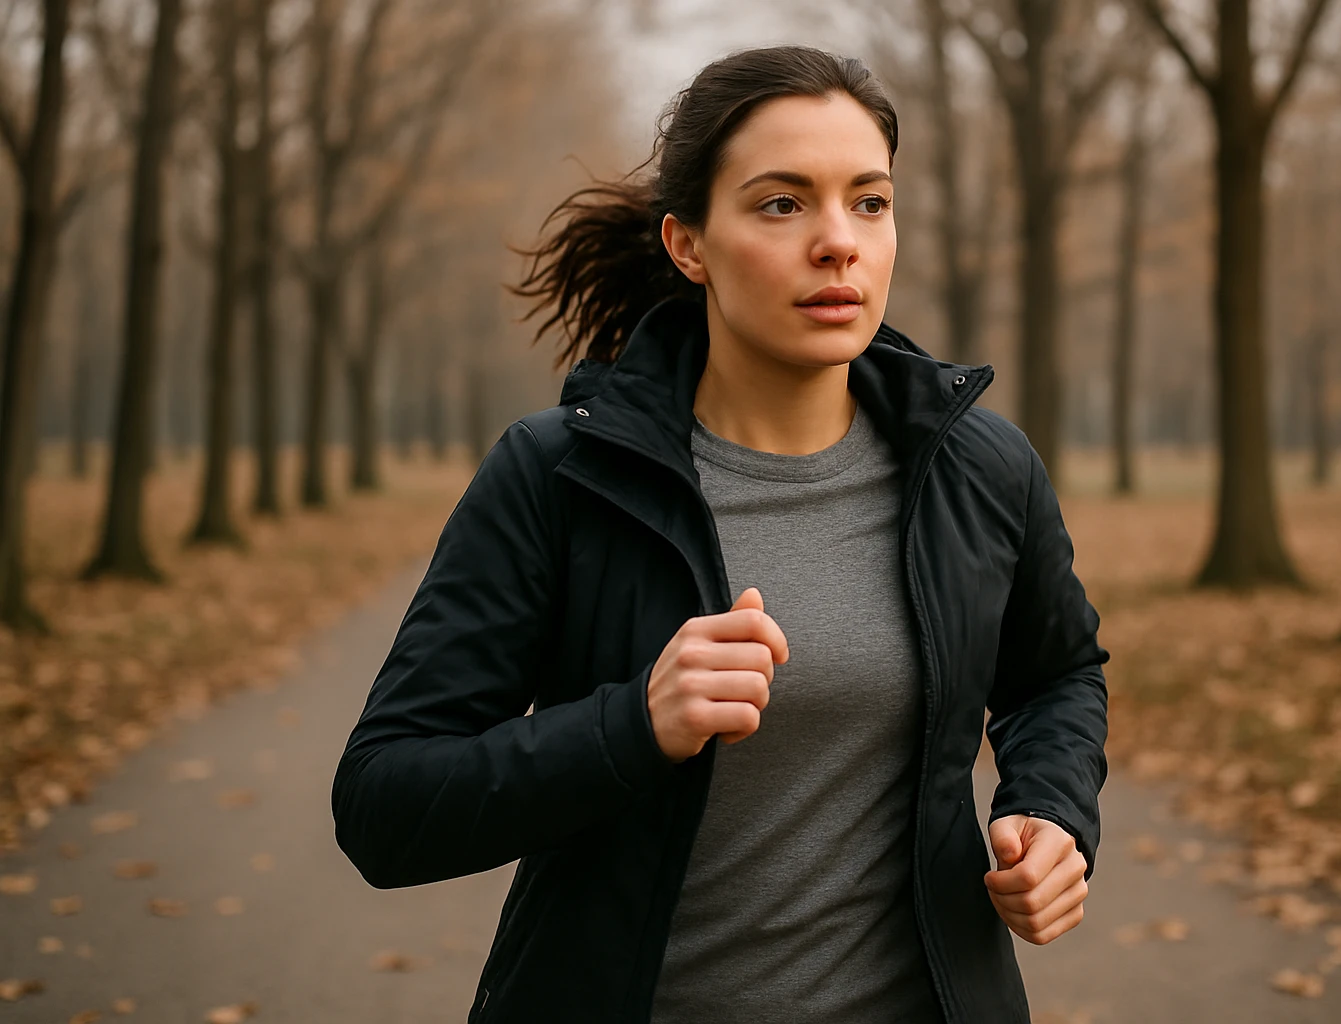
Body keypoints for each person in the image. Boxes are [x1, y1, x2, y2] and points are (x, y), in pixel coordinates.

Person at [331, 44, 1109, 1024]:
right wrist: (634, 724)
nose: (840, 243)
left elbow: (1057, 673)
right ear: (688, 243)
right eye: (782, 204)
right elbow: (385, 806)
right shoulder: (558, 480)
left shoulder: (980, 468)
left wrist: (1049, 808)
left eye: (869, 202)